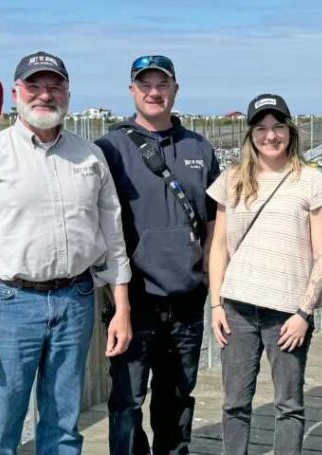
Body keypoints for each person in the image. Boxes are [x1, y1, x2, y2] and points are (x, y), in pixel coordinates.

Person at [0, 51, 132, 454]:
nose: (45, 95)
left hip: (76, 300)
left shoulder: (90, 156)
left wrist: (121, 308)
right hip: (9, 306)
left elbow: (113, 237)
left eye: (54, 85)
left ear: (67, 92)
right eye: (35, 85)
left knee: (64, 427)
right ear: (16, 93)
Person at [94, 55, 220, 454]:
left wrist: (214, 287)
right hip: (133, 302)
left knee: (178, 399)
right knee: (127, 404)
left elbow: (216, 221)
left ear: (175, 90)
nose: (154, 92)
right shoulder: (109, 148)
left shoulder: (198, 146)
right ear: (132, 91)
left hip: (186, 298)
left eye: (161, 84)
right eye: (144, 84)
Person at [207, 94, 322, 454]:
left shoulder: (312, 181)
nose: (270, 135)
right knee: (234, 403)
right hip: (237, 308)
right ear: (250, 135)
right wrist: (216, 304)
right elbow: (218, 246)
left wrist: (303, 314)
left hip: (287, 313)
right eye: (261, 128)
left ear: (290, 131)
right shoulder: (231, 178)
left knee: (288, 405)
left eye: (278, 126)